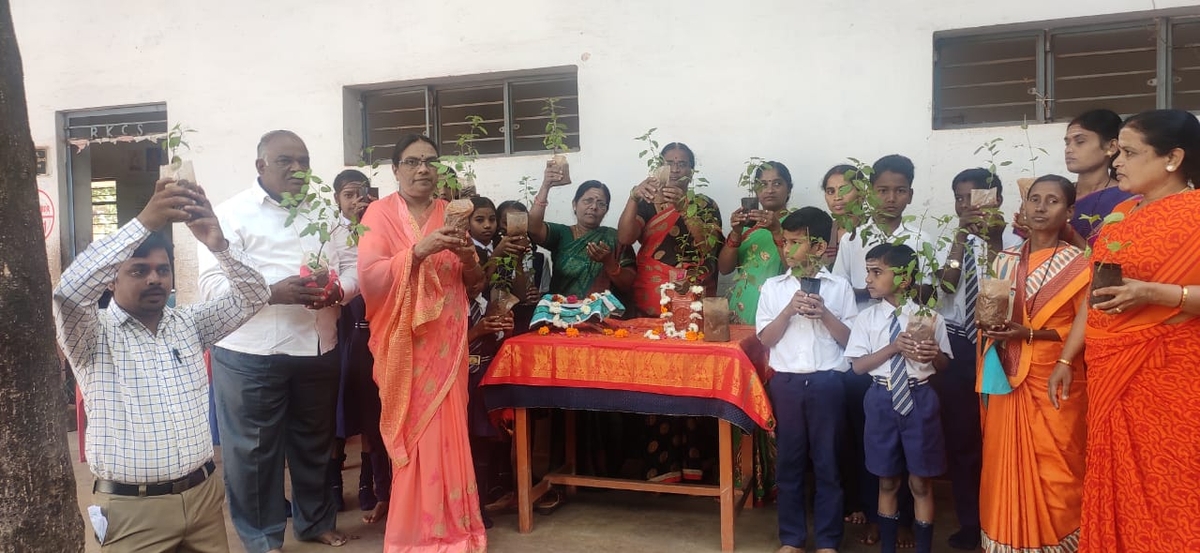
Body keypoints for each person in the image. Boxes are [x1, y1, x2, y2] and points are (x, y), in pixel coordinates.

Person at [55, 178, 270, 552]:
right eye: (139, 270)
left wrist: (218, 245)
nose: (155, 278)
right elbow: (69, 293)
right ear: (111, 281)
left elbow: (254, 296)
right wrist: (145, 221)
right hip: (133, 512)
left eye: (162, 270)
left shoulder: (187, 323)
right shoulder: (92, 336)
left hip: (203, 500)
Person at [199, 130, 356, 552]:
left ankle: (314, 522)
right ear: (260, 166)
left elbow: (354, 265)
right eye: (285, 160)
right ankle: (263, 537)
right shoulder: (230, 214)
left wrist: (340, 290)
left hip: (317, 345)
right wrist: (271, 291)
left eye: (303, 160)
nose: (297, 169)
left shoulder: (327, 214)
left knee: (315, 444)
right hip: (250, 351)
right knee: (253, 453)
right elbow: (212, 286)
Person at [1072, 109, 1200, 551]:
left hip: (1173, 375)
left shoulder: (1198, 212)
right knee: (1115, 477)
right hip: (1111, 369)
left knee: (1174, 487)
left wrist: (1156, 294)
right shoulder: (1121, 214)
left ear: (1173, 157)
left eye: (1129, 152)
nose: (1117, 161)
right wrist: (1071, 357)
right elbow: (1097, 291)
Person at [358, 133, 488, 552]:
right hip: (404, 344)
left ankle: (455, 526)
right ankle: (415, 532)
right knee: (414, 434)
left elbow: (474, 283)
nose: (423, 169)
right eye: (412, 162)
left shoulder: (451, 212)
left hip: (448, 343)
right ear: (395, 170)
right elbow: (370, 278)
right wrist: (417, 251)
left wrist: (469, 262)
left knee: (449, 430)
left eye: (430, 161)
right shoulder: (378, 214)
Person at [975, 175, 1089, 552]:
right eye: (1034, 200)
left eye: (1052, 201)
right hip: (1006, 375)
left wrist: (1031, 335)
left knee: (1057, 470)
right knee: (1002, 465)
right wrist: (989, 327)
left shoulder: (1079, 264)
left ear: (1069, 211)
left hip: (1054, 374)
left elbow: (1084, 327)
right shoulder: (1005, 260)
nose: (1040, 208)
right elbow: (992, 315)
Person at [831, 154, 924, 547]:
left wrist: (901, 291)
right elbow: (839, 290)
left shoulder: (922, 239)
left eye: (899, 190)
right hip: (866, 348)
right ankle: (873, 511)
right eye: (883, 189)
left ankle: (902, 517)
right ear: (870, 193)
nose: (890, 197)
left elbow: (929, 293)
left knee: (909, 438)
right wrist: (876, 289)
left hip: (910, 356)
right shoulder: (853, 238)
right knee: (870, 435)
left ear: (910, 194)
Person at [755, 207, 858, 553]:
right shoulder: (773, 287)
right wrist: (788, 311)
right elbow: (766, 340)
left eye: (796, 242)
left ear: (817, 248)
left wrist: (824, 313)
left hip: (828, 383)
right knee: (790, 462)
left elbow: (851, 340)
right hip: (787, 384)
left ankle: (828, 541)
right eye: (785, 242)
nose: (787, 249)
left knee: (828, 462)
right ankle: (792, 539)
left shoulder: (839, 287)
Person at [931, 167, 1022, 550]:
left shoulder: (1018, 240)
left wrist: (995, 238)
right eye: (959, 198)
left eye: (976, 197)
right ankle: (972, 524)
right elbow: (943, 289)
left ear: (997, 198)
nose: (967, 205)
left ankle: (1006, 520)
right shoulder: (944, 243)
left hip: (1003, 344)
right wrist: (959, 239)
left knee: (1003, 438)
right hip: (958, 346)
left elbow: (1012, 287)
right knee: (963, 440)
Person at [845, 244, 951, 553]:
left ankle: (923, 548)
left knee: (921, 482)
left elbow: (943, 365)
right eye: (868, 272)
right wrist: (893, 347)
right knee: (886, 480)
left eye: (877, 272)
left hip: (919, 400)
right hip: (880, 398)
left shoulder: (929, 318)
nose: (869, 279)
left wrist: (936, 355)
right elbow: (858, 367)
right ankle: (888, 548)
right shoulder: (867, 320)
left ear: (904, 279)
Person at [328, 169, 392, 524]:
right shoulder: (327, 232)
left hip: (373, 326)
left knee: (372, 410)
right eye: (349, 194)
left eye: (362, 194)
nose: (357, 201)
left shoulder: (377, 228)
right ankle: (335, 485)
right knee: (338, 409)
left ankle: (371, 482)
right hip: (340, 325)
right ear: (337, 198)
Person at [618, 142, 724, 317]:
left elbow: (709, 247)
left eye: (682, 164)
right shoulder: (647, 203)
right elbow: (625, 238)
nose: (675, 169)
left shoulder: (704, 204)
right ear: (660, 168)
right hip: (653, 294)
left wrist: (684, 208)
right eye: (668, 163)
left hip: (694, 294)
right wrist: (633, 198)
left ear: (691, 172)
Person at [465, 195, 517, 528]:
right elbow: (472, 287)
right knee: (467, 436)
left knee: (484, 434)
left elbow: (501, 292)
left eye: (490, 220)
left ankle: (481, 504)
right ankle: (467, 505)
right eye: (479, 220)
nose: (487, 226)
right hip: (463, 353)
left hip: (487, 354)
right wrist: (494, 257)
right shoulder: (465, 254)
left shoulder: (497, 251)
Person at [528, 164, 636, 297]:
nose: (594, 207)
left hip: (603, 314)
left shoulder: (616, 238)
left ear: (606, 210)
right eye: (588, 201)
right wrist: (546, 186)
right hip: (561, 311)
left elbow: (629, 284)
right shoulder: (562, 234)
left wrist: (609, 263)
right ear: (574, 204)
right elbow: (532, 228)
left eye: (601, 204)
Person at [719, 160, 793, 324]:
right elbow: (724, 269)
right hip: (741, 306)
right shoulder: (748, 227)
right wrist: (736, 232)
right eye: (763, 185)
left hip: (777, 310)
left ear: (789, 188)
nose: (769, 190)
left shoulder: (796, 225)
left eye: (777, 184)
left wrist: (776, 231)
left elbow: (795, 269)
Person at [1063, 108, 1132, 244]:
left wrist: (1068, 233)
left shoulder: (1128, 200)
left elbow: (1112, 260)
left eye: (1080, 141)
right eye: (1067, 143)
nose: (1069, 149)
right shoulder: (1056, 195)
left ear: (1112, 147)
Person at [820, 163, 861, 268]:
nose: (837, 197)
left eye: (844, 190)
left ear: (862, 194)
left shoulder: (874, 231)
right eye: (830, 191)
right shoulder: (822, 231)